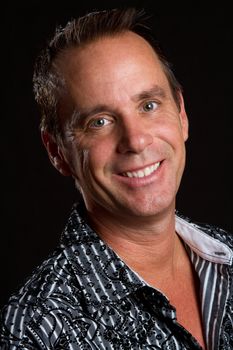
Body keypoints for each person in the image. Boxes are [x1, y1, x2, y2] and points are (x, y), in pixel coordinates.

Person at [0, 7, 232, 350]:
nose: (136, 141)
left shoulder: (227, 256)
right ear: (56, 151)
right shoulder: (34, 331)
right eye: (100, 122)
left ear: (181, 114)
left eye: (149, 105)